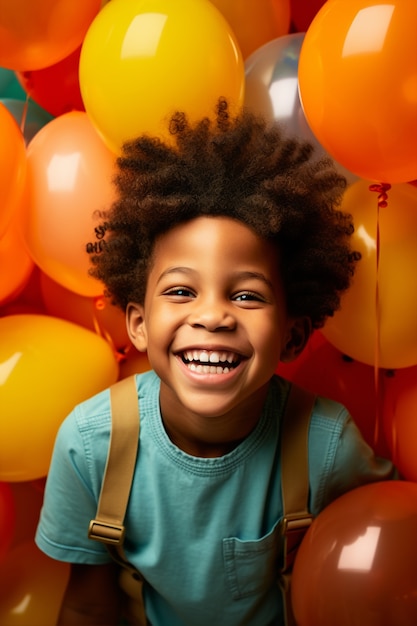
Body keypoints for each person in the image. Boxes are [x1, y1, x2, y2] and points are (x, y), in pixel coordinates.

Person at [36, 99, 395, 626]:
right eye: (181, 290)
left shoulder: (327, 446)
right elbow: (89, 606)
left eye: (247, 296)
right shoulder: (91, 445)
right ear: (138, 324)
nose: (212, 316)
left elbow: (377, 579)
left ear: (293, 337)